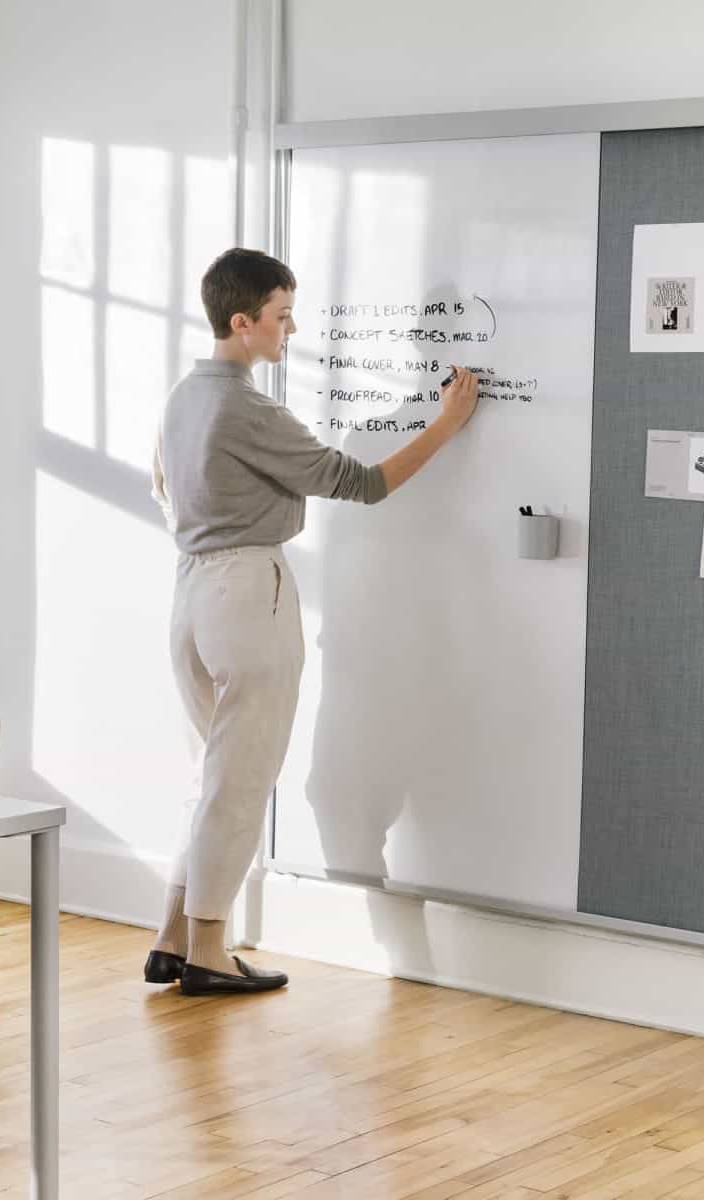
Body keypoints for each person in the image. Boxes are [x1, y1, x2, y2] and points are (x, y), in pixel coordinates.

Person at [145, 247, 480, 996]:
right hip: (244, 593)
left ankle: (171, 937)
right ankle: (206, 950)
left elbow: (162, 487)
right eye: (282, 316)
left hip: (189, 593)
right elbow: (358, 483)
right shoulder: (247, 407)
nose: (291, 330)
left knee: (207, 775)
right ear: (243, 322)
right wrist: (446, 424)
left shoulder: (181, 398)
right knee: (241, 779)